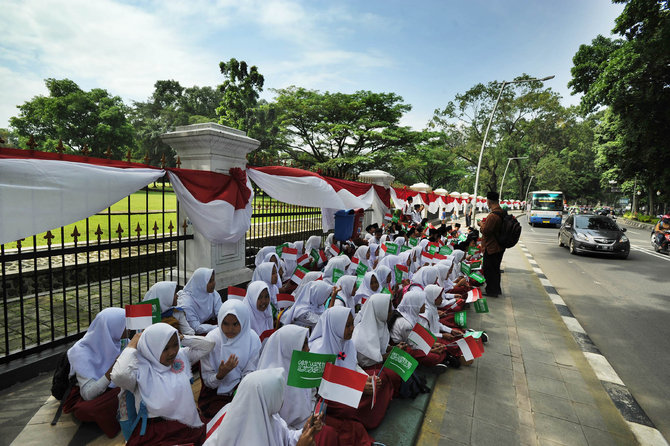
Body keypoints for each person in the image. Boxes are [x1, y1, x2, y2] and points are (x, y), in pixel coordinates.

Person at [111, 323, 215, 446]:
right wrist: (132, 345)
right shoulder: (139, 369)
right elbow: (118, 375)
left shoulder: (181, 356)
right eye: (165, 348)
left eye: (175, 345)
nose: (172, 352)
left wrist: (181, 337)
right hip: (156, 431)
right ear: (151, 347)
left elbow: (208, 345)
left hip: (186, 423)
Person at [202, 369, 328, 446]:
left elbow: (286, 438)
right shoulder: (244, 436)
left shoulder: (268, 415)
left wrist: (304, 431)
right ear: (266, 398)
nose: (282, 399)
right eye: (279, 394)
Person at [63, 307, 126, 438]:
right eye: (125, 325)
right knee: (86, 410)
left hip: (112, 388)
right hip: (93, 393)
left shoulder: (119, 342)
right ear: (112, 328)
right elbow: (88, 394)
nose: (129, 329)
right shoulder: (81, 352)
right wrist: (113, 369)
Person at [199, 300, 261, 420]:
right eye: (225, 323)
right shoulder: (211, 341)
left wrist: (239, 394)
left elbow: (250, 373)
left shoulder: (252, 339)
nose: (230, 329)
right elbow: (208, 381)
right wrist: (220, 375)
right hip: (215, 395)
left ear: (243, 322)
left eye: (235, 324)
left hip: (242, 391)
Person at [178, 268, 222, 334]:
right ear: (201, 283)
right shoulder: (186, 303)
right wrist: (218, 327)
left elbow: (221, 311)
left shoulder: (212, 294)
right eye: (210, 281)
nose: (214, 283)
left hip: (209, 326)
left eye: (213, 280)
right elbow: (196, 328)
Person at [478, 191, 505, 297]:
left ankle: (492, 291)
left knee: (490, 269)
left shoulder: (493, 215)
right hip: (498, 245)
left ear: (489, 202)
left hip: (491, 247)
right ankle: (495, 289)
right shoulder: (501, 212)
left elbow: (486, 231)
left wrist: (481, 224)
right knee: (495, 269)